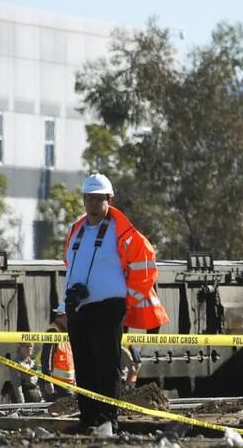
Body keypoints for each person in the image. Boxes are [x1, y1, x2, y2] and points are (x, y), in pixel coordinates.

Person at [61, 173, 168, 434]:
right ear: (84, 200)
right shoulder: (78, 230)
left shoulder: (123, 233)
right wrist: (62, 308)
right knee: (84, 367)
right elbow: (71, 268)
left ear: (109, 200)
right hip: (79, 307)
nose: (93, 205)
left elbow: (145, 266)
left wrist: (126, 298)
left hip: (109, 307)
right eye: (89, 199)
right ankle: (88, 420)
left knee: (106, 366)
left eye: (99, 199)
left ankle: (107, 421)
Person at [39, 303, 76, 401]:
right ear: (64, 316)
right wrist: (48, 380)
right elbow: (46, 357)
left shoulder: (65, 334)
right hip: (56, 385)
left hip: (68, 385)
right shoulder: (53, 332)